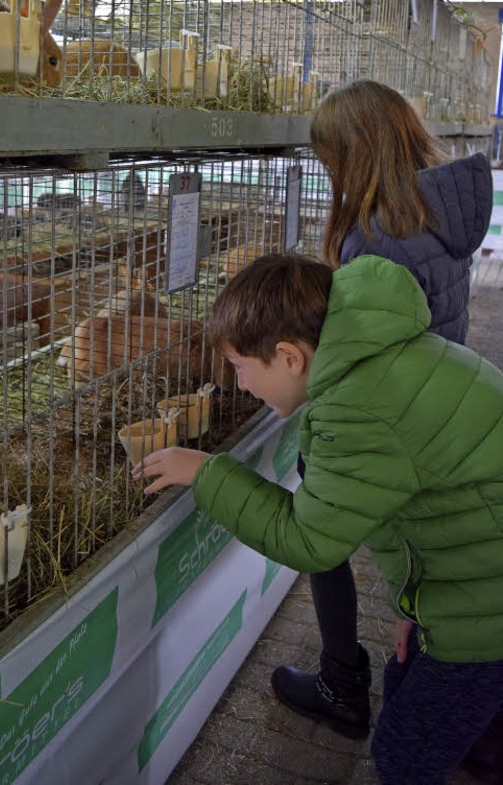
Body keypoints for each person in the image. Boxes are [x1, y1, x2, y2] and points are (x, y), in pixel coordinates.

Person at [132, 252, 503, 785]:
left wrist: (208, 473)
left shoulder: (356, 410)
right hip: (465, 579)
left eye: (240, 369)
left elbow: (310, 542)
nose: (239, 387)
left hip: (486, 614)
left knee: (403, 757)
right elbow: (413, 509)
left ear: (288, 357)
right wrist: (416, 606)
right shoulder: (382, 356)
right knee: (405, 685)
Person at [275, 80, 491, 742]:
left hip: (393, 423)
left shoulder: (380, 241)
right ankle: (421, 670)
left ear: (357, 155)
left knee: (321, 527)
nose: (329, 176)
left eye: (330, 161)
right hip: (434, 411)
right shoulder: (436, 213)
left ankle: (343, 682)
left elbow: (361, 359)